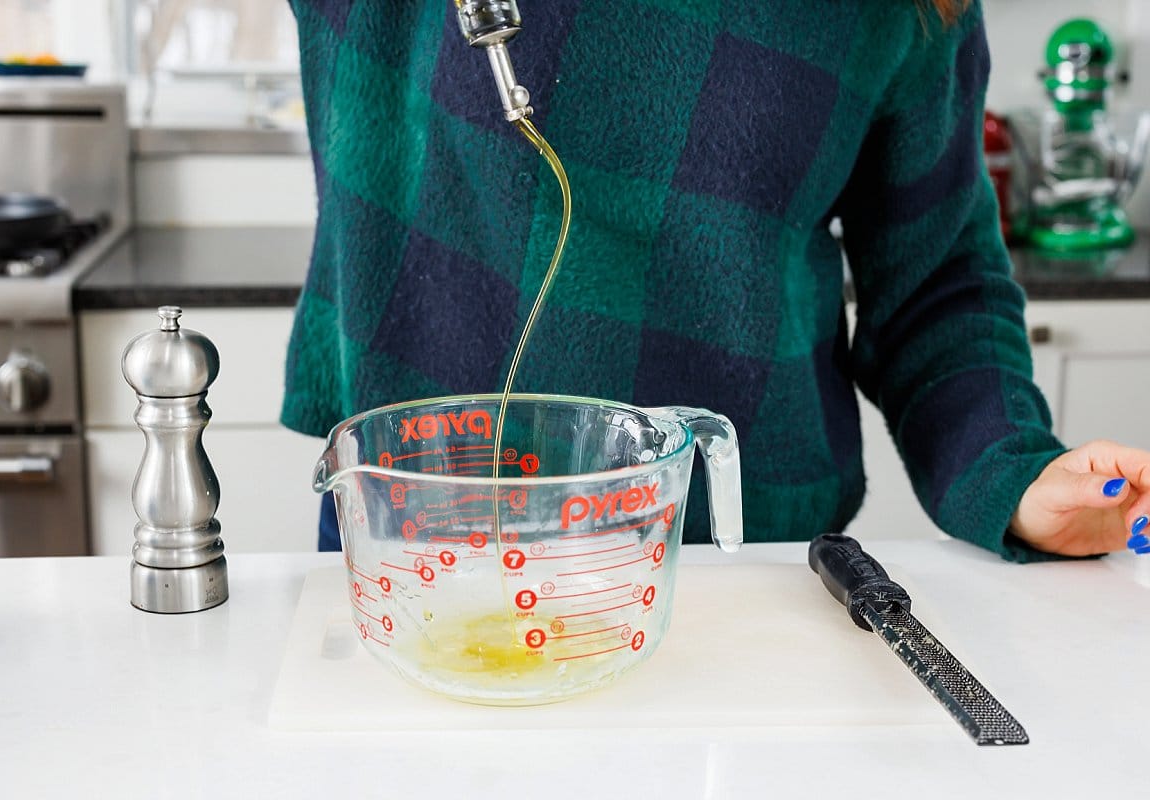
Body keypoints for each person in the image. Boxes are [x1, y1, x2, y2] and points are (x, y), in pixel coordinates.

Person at [282, 0, 1150, 562]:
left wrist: (1014, 472)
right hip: (413, 542)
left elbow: (937, 282)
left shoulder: (906, 13)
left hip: (741, 559)